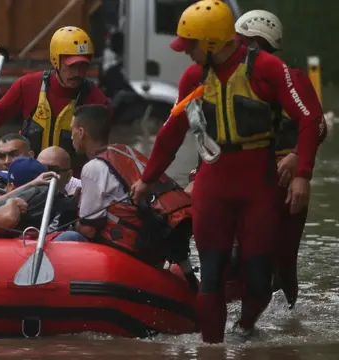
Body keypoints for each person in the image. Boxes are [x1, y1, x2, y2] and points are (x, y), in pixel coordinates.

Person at [129, 1, 323, 343]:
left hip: (258, 189)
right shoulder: (193, 77)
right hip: (213, 188)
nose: (186, 52)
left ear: (213, 43)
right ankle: (212, 348)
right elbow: (171, 133)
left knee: (260, 277)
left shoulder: (269, 69)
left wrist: (302, 171)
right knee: (213, 274)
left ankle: (245, 329)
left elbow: (310, 119)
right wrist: (146, 179)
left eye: (191, 45)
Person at [184, 9, 328, 309]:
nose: (253, 50)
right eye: (248, 42)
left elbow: (317, 125)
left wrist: (296, 157)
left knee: (285, 258)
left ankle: (288, 318)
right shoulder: (212, 78)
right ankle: (229, 313)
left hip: (285, 180)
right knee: (230, 252)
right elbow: (211, 137)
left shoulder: (286, 78)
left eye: (261, 45)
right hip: (240, 178)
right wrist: (199, 173)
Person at [0, 26, 111, 176]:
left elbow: (99, 152)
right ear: (55, 60)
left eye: (83, 66)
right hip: (27, 178)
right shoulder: (27, 85)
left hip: (69, 183)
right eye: (71, 66)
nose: (77, 73)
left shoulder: (98, 103)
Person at [71, 105, 194, 273]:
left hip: (128, 248)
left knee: (68, 237)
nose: (71, 137)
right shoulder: (125, 151)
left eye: (72, 131)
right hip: (151, 240)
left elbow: (89, 229)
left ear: (81, 133)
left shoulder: (92, 168)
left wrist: (71, 225)